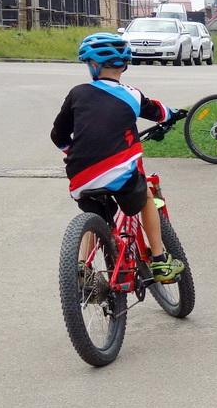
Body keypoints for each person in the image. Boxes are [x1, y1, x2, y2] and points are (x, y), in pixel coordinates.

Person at [51, 33, 185, 282]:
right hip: (118, 171)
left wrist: (72, 151)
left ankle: (82, 267)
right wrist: (175, 113)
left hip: (81, 175)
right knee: (145, 196)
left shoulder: (77, 93)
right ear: (124, 65)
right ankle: (159, 260)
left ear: (92, 65)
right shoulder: (132, 94)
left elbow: (58, 134)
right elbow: (159, 112)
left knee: (97, 215)